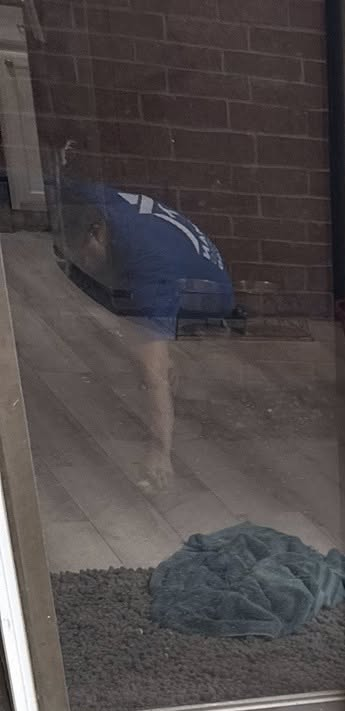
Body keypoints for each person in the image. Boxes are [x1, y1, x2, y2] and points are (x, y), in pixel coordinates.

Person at [56, 180, 235, 493]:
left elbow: (154, 379)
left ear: (96, 232)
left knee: (151, 365)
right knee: (131, 326)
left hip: (206, 293)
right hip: (176, 253)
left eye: (82, 253)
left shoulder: (147, 271)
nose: (80, 260)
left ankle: (164, 358)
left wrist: (159, 451)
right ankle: (159, 342)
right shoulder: (89, 201)